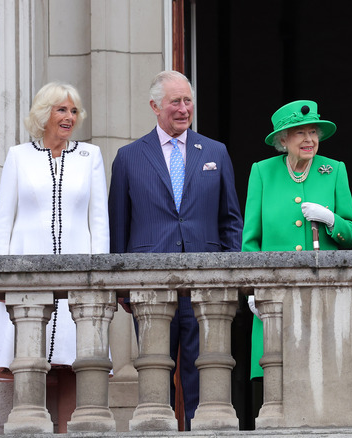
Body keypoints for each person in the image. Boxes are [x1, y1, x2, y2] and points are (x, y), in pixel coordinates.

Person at [108, 70, 243, 429]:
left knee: (205, 372)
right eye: (175, 102)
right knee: (155, 373)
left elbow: (230, 219)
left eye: (188, 101)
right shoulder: (128, 157)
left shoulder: (216, 151)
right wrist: (122, 287)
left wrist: (233, 274)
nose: (183, 109)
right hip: (151, 284)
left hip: (207, 283)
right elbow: (118, 226)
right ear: (155, 106)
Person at [0, 82, 109, 432]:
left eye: (73, 111)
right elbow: (3, 222)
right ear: (44, 114)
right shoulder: (18, 156)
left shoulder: (91, 157)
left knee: (74, 363)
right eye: (62, 110)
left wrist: (99, 279)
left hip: (77, 277)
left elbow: (98, 222)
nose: (70, 117)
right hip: (26, 274)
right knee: (29, 362)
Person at [243, 100, 352, 382]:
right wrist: (251, 287)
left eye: (314, 132)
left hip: (323, 292)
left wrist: (331, 219)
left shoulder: (334, 170)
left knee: (323, 375)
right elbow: (251, 240)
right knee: (277, 372)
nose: (309, 140)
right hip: (275, 293)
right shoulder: (262, 172)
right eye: (300, 133)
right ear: (283, 140)